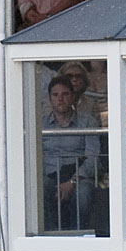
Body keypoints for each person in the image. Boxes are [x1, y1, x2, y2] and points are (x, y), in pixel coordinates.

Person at [42, 74, 98, 231]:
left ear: (73, 97)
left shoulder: (87, 122)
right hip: (49, 176)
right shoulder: (40, 124)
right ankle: (49, 242)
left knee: (84, 194)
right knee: (38, 191)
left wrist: (72, 182)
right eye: (55, 95)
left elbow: (93, 157)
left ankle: (79, 240)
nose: (60, 99)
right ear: (49, 98)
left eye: (65, 94)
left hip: (78, 176)